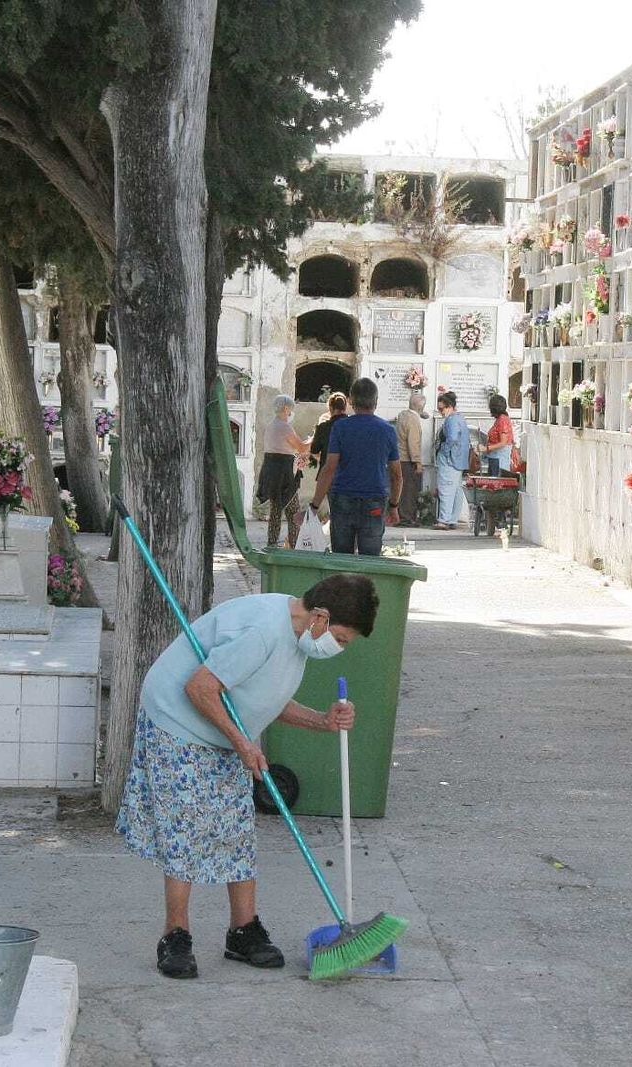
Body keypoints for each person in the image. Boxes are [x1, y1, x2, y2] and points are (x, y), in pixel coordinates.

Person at [116, 574, 378, 979]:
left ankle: (243, 931)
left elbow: (265, 697)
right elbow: (200, 687)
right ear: (321, 618)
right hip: (177, 720)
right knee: (187, 827)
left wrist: (322, 721)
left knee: (235, 828)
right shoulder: (261, 631)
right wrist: (241, 742)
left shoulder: (299, 634)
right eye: (341, 639)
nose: (338, 649)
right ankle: (176, 936)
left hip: (222, 725)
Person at [309, 377, 402, 554]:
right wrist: (394, 506)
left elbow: (329, 468)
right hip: (374, 499)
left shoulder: (341, 428)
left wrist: (315, 505)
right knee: (370, 560)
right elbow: (396, 475)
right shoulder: (387, 430)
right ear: (376, 401)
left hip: (343, 498)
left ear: (351, 401)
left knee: (342, 557)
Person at [256, 394, 308, 548]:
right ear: (286, 409)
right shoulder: (284, 427)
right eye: (291, 409)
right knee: (293, 512)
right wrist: (315, 438)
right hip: (283, 473)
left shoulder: (272, 425)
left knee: (276, 510)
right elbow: (301, 447)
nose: (291, 413)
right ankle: (293, 544)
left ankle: (271, 544)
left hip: (271, 470)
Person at [433, 391, 469, 530]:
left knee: (446, 488)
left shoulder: (451, 420)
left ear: (449, 406)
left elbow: (452, 438)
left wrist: (444, 451)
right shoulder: (460, 418)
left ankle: (443, 520)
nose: (440, 412)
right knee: (456, 490)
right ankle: (453, 518)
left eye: (442, 409)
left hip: (449, 460)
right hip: (459, 460)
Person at [393, 392, 427, 525]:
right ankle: (407, 517)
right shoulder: (413, 420)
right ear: (420, 407)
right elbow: (413, 442)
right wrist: (417, 461)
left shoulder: (403, 415)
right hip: (408, 459)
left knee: (402, 489)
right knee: (409, 490)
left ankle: (402, 515)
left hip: (399, 457)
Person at [308, 391, 348, 471]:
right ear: (345, 407)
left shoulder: (323, 427)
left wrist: (325, 460)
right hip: (348, 475)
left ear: (330, 408)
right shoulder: (353, 426)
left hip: (327, 472)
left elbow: (314, 451)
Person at [482, 392, 514, 476]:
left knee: (496, 483)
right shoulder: (501, 419)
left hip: (499, 458)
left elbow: (503, 442)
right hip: (495, 457)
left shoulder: (502, 420)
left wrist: (486, 448)